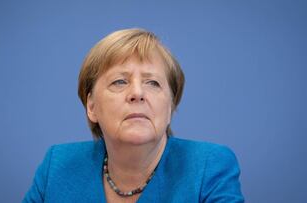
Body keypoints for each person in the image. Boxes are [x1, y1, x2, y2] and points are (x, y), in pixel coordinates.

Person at [23, 28, 244, 203]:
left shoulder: (209, 166)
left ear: (170, 106)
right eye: (120, 81)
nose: (137, 93)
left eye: (153, 83)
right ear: (91, 106)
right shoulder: (57, 166)